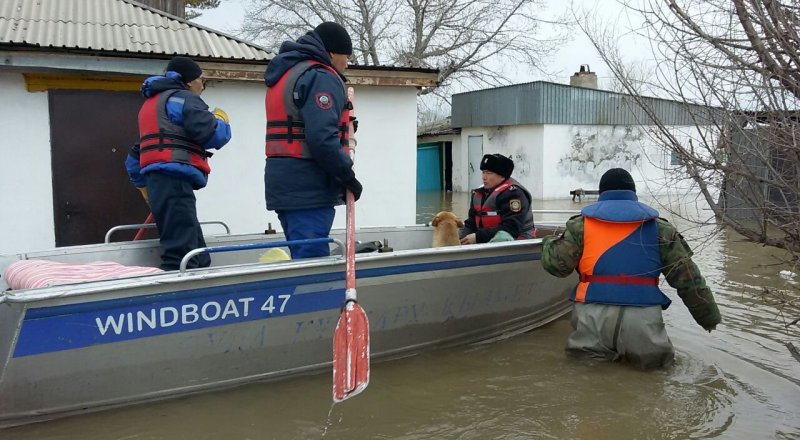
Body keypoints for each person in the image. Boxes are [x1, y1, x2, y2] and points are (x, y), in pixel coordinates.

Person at [541, 168, 721, 370]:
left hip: (592, 319)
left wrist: (549, 242)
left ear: (601, 194)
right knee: (654, 378)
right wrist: (708, 318)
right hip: (643, 322)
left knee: (587, 378)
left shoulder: (580, 226)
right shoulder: (661, 229)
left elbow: (557, 266)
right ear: (633, 194)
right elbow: (689, 281)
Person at [263, 22, 362, 259]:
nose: (346, 64)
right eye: (345, 57)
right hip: (308, 187)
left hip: (284, 183)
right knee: (312, 262)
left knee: (301, 255)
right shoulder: (320, 76)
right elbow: (321, 139)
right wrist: (347, 176)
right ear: (331, 52)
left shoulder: (288, 71)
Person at [130, 56, 232, 270]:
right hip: (174, 182)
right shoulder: (183, 99)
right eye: (201, 80)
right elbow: (212, 135)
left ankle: (204, 284)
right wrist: (222, 121)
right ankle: (179, 297)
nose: (203, 86)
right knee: (181, 251)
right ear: (188, 81)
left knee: (196, 249)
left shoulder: (152, 105)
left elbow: (135, 155)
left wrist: (144, 186)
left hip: (162, 182)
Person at [459, 154, 535, 244]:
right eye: (483, 172)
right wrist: (459, 239)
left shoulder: (514, 194)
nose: (484, 177)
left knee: (501, 237)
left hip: (516, 240)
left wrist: (478, 237)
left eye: (489, 173)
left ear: (502, 176)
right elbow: (471, 223)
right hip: (486, 238)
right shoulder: (478, 193)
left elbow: (511, 227)